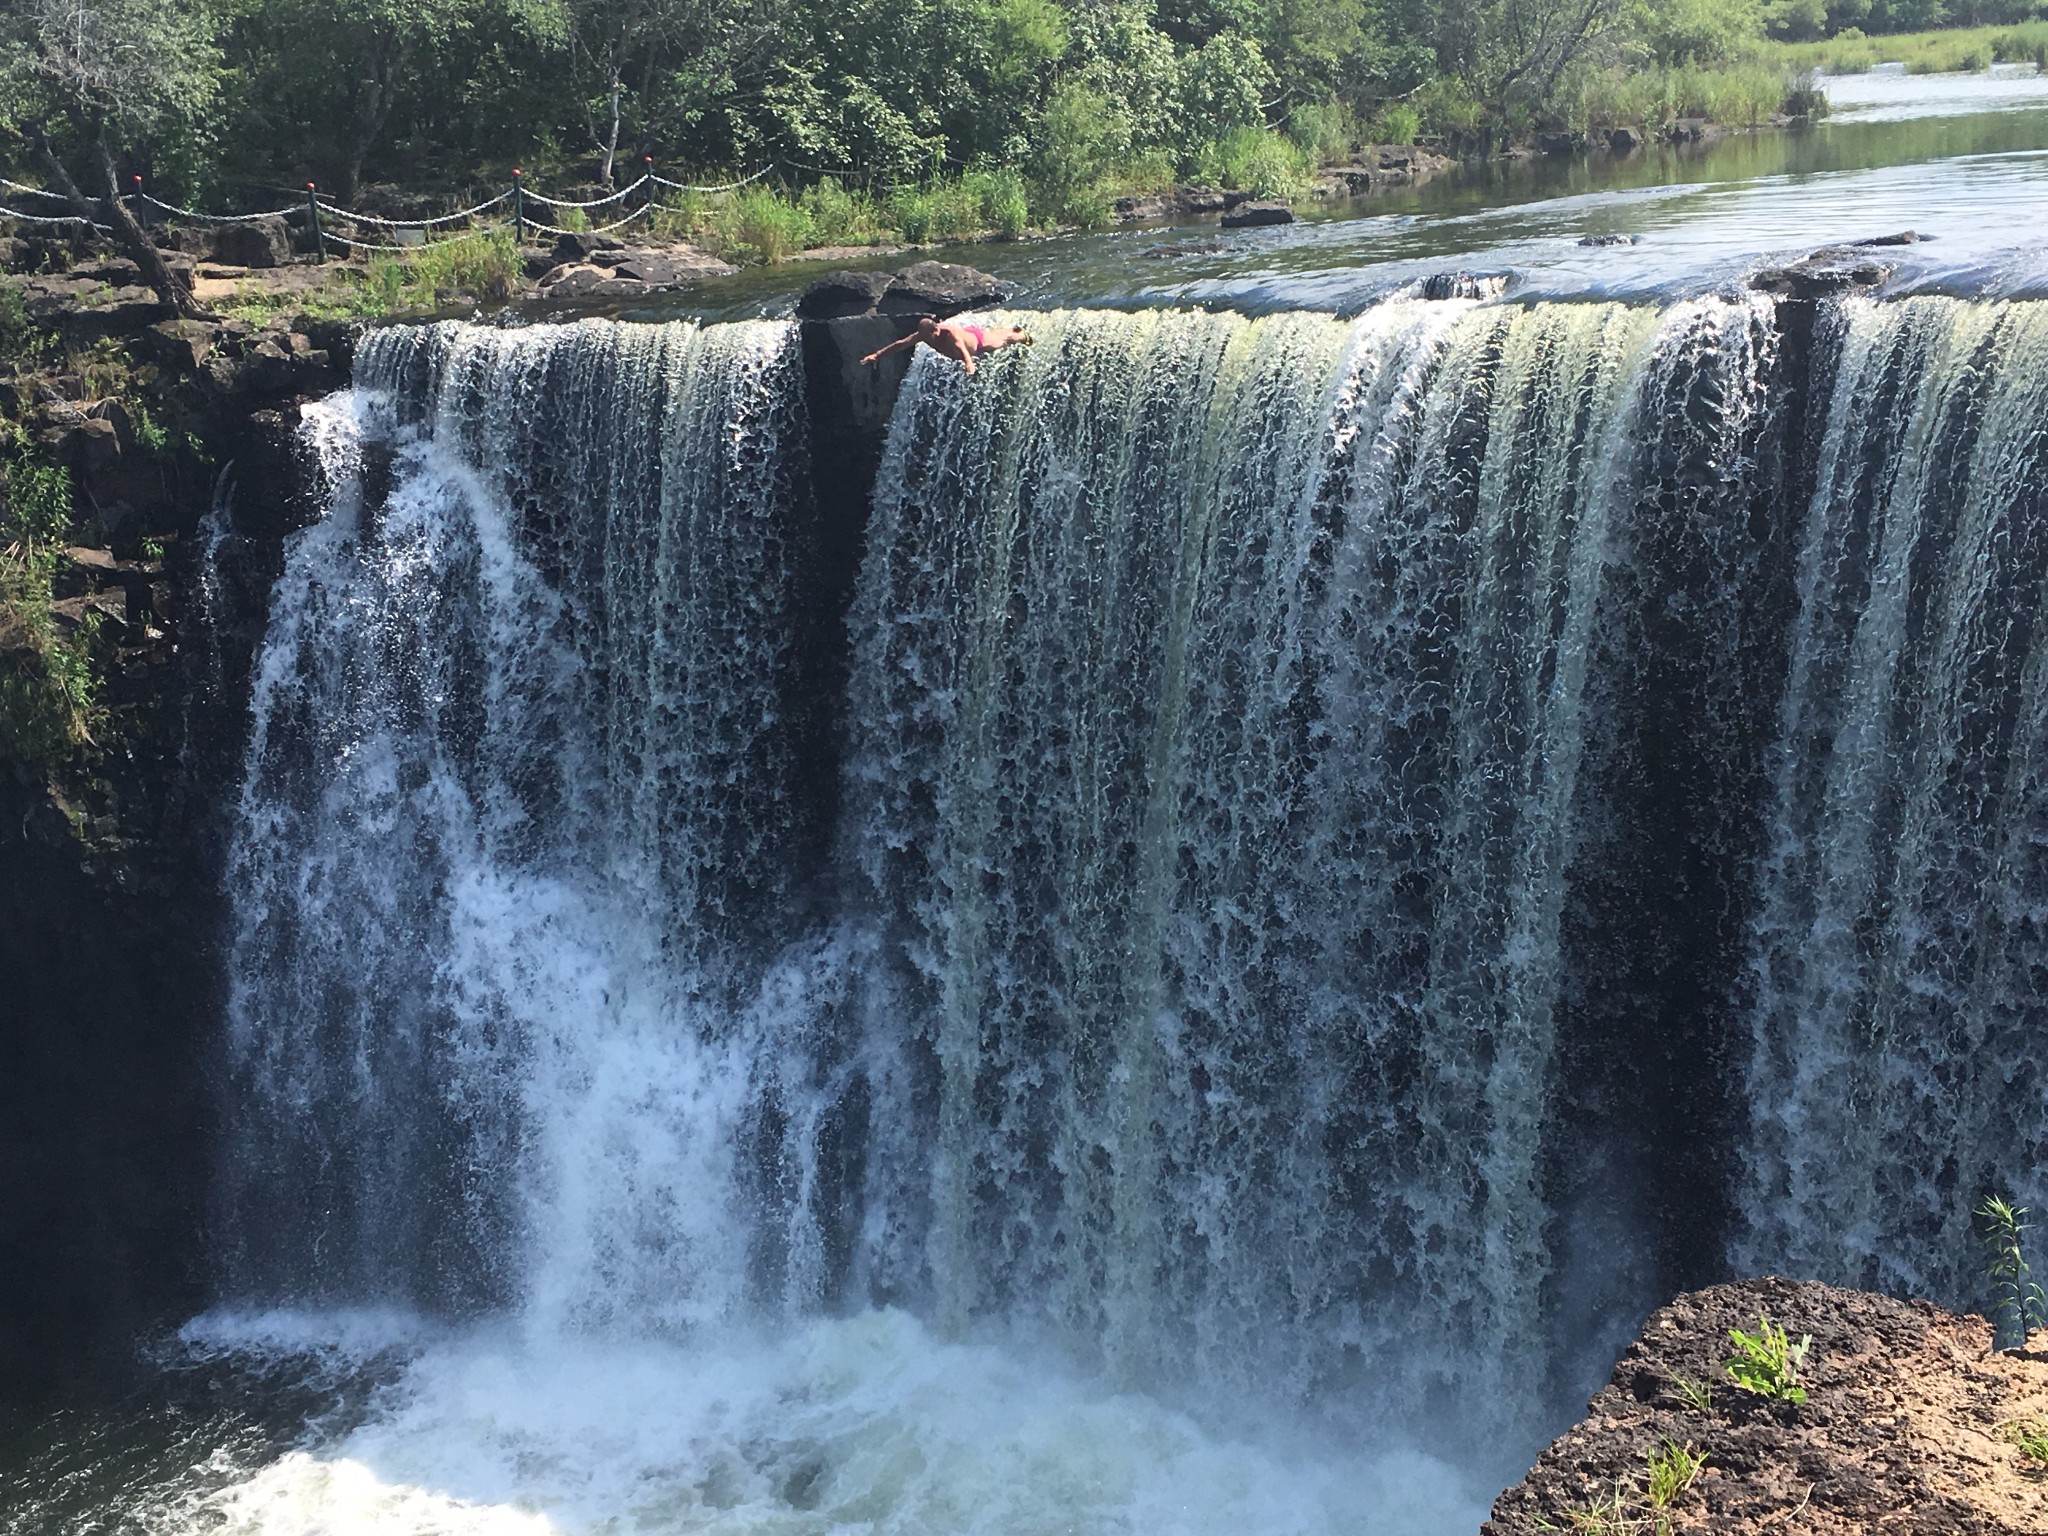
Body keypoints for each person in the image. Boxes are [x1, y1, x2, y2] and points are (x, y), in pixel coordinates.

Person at [859, 315, 1032, 376]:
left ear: (935, 331)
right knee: (994, 333)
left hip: (978, 343)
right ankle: (1009, 329)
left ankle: (1021, 334)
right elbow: (900, 344)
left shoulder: (949, 334)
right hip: (971, 333)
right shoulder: (923, 335)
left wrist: (969, 364)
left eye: (926, 336)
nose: (923, 339)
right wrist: (877, 355)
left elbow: (962, 348)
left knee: (1002, 341)